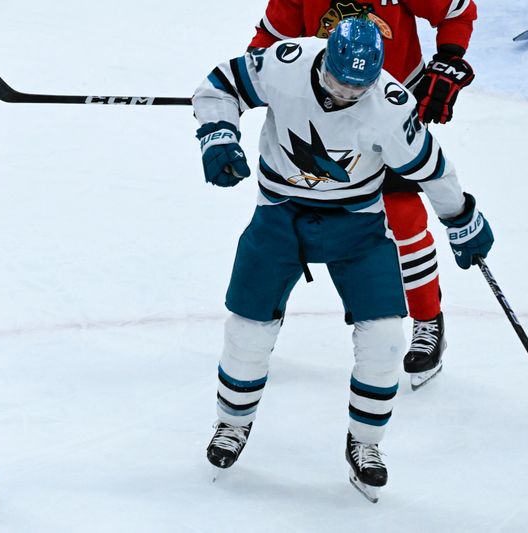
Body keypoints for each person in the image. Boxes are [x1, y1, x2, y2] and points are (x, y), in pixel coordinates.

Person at [193, 18, 492, 501]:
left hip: (357, 229)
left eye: (359, 85)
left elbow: (431, 169)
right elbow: (219, 85)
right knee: (247, 329)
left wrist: (462, 218)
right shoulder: (286, 62)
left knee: (385, 339)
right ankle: (232, 424)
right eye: (337, 80)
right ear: (325, 59)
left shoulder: (391, 107)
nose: (345, 93)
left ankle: (366, 443)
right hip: (279, 217)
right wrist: (218, 134)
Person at [248, 0, 479, 388]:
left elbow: (458, 12)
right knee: (285, 224)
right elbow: (268, 40)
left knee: (403, 216)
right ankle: (257, 325)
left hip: (389, 109)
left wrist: (449, 58)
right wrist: (245, 86)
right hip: (319, 111)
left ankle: (427, 319)